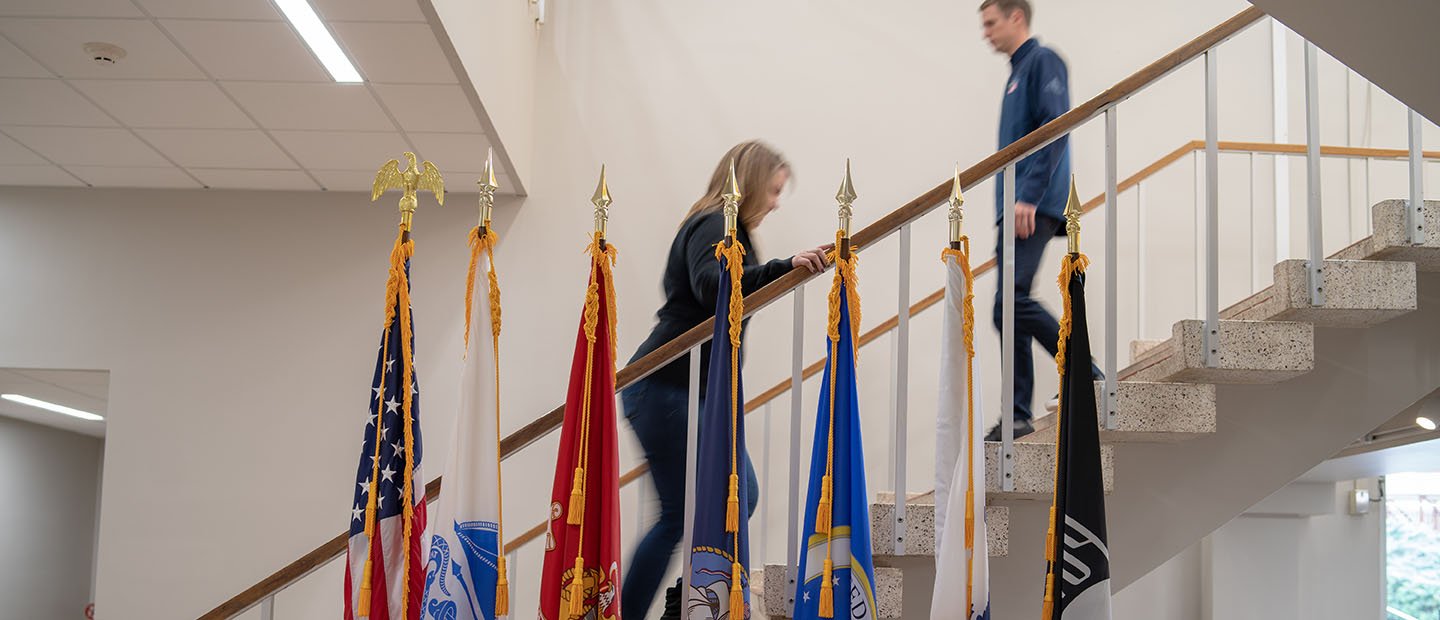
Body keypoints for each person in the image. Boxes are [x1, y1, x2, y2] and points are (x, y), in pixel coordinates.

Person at [621, 140, 831, 619]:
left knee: (740, 495)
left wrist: (773, 270)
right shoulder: (714, 223)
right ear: (752, 182)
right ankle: (650, 608)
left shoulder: (729, 230)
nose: (776, 203)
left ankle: (684, 596)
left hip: (689, 391)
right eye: (774, 191)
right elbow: (711, 285)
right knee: (679, 512)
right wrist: (782, 269)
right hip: (664, 385)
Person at [979, 0, 1101, 441]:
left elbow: (1055, 126)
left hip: (1034, 204)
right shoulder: (1016, 72)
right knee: (1006, 310)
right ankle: (1016, 415)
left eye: (991, 23)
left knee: (1007, 304)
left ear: (1017, 17)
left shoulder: (1042, 61)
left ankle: (1085, 373)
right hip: (1013, 205)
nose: (985, 32)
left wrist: (1028, 196)